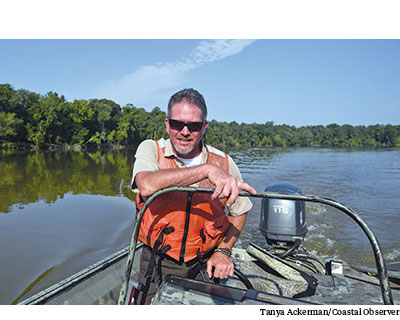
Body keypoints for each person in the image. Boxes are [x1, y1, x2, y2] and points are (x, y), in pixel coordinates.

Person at [130, 88, 256, 304]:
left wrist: (224, 251)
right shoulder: (151, 149)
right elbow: (146, 185)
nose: (185, 132)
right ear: (167, 124)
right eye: (178, 124)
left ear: (204, 127)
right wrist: (206, 171)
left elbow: (240, 211)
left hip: (204, 262)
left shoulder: (225, 162)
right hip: (157, 260)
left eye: (194, 126)